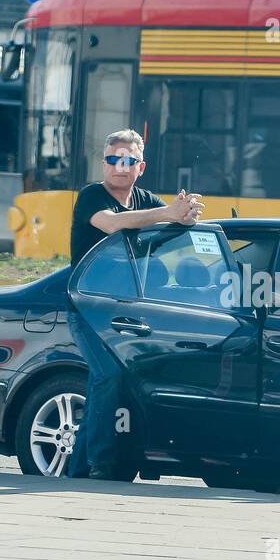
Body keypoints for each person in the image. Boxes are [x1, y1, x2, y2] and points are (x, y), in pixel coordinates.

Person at [67, 129, 202, 479]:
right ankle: (102, 463)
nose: (119, 167)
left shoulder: (145, 200)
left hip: (129, 310)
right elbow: (112, 225)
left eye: (127, 160)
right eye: (112, 159)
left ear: (140, 167)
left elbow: (175, 223)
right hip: (88, 307)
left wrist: (185, 215)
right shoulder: (91, 196)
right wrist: (168, 213)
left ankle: (78, 472)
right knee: (108, 374)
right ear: (104, 163)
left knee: (120, 381)